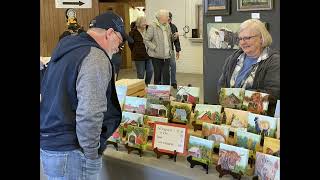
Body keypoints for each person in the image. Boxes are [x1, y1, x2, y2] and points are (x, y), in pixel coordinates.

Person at [40, 12, 130, 179]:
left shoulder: (65, 49)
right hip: (73, 151)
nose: (119, 48)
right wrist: (91, 153)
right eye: (120, 40)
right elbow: (90, 112)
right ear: (109, 33)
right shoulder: (95, 57)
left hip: (51, 144)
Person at [217, 19, 280, 116]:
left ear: (261, 38)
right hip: (230, 114)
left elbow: (274, 94)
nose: (242, 42)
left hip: (258, 118)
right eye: (240, 38)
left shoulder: (274, 61)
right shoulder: (233, 58)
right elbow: (222, 85)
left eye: (247, 38)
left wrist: (239, 99)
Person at [144, 9, 173, 85]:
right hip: (156, 56)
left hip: (167, 56)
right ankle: (157, 94)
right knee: (157, 76)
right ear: (161, 17)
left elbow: (168, 39)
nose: (168, 18)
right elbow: (146, 40)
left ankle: (166, 93)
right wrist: (154, 48)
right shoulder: (152, 26)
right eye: (167, 16)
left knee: (166, 76)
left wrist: (174, 37)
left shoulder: (168, 26)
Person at [129, 16, 153, 85]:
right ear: (138, 23)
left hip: (148, 55)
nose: (145, 24)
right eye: (143, 22)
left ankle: (146, 84)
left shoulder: (148, 30)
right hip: (138, 56)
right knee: (141, 74)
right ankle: (140, 86)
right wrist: (135, 51)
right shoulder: (133, 32)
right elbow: (131, 45)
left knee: (150, 71)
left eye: (145, 22)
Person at [168, 12, 181, 89]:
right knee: (164, 68)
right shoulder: (161, 27)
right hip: (161, 51)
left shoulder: (173, 27)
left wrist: (178, 50)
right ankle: (163, 83)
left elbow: (176, 40)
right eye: (168, 18)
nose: (169, 20)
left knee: (173, 66)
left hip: (171, 50)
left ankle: (173, 82)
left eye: (170, 18)